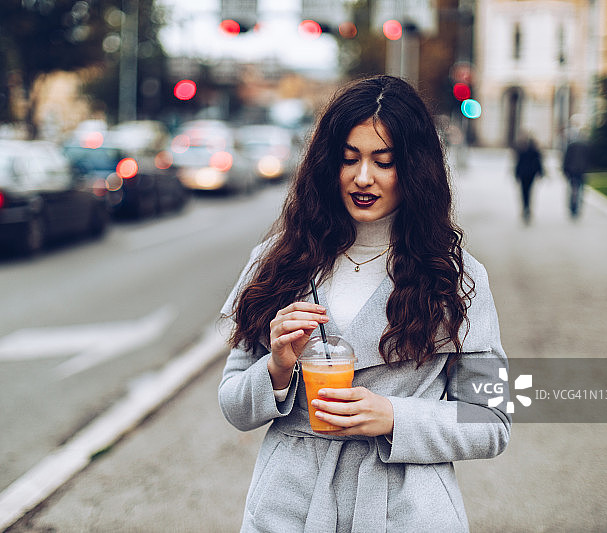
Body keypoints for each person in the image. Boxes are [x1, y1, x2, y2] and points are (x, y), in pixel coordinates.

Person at [218, 75, 511, 532]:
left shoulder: (456, 276)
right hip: (287, 509)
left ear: (415, 168)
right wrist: (275, 367)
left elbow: (492, 421)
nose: (362, 178)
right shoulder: (278, 261)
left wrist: (395, 416)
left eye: (384, 161)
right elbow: (234, 406)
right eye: (348, 159)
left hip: (405, 513)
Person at [513, 135, 543, 223]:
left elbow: (518, 164)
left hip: (524, 175)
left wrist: (516, 174)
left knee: (524, 191)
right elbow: (538, 163)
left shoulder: (522, 151)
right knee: (529, 191)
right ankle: (527, 207)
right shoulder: (535, 151)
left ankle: (526, 207)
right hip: (531, 175)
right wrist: (540, 173)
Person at [562, 128, 590, 218]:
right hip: (581, 171)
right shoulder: (585, 146)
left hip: (572, 171)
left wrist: (565, 170)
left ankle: (573, 206)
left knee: (574, 190)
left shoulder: (571, 145)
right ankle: (577, 206)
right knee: (579, 190)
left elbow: (566, 159)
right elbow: (589, 159)